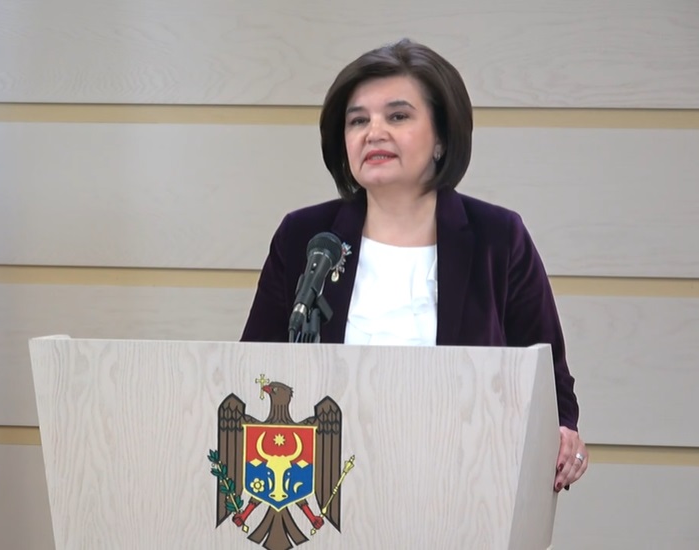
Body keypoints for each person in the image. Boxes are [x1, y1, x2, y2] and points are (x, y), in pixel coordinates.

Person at [240, 38, 587, 491]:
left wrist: (563, 435)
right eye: (358, 120)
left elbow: (549, 381)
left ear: (441, 137)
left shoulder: (498, 237)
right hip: (325, 488)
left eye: (397, 116)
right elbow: (254, 369)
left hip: (462, 483)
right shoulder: (306, 236)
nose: (373, 132)